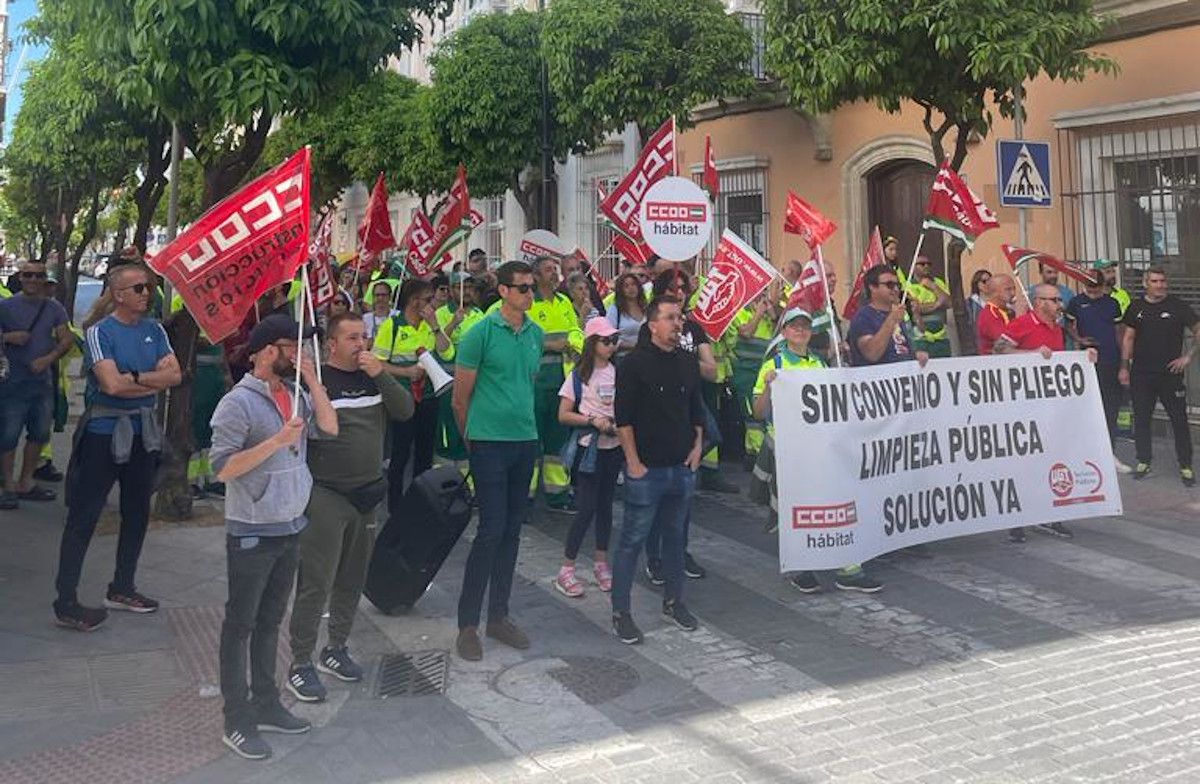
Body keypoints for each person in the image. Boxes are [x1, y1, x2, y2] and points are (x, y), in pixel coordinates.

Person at [209, 313, 337, 760]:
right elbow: (223, 467)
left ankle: (266, 704)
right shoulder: (237, 404)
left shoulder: (296, 395)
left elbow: (331, 427)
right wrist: (277, 442)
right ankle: (236, 718)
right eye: (292, 346)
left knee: (269, 622)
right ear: (267, 352)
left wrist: (313, 382)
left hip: (289, 525)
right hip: (251, 531)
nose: (301, 353)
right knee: (239, 626)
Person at [286, 312, 414, 703]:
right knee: (316, 582)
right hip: (327, 494)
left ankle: (336, 647)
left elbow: (405, 410)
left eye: (365, 336)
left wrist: (381, 373)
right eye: (353, 337)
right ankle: (300, 661)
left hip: (366, 494)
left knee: (352, 579)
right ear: (332, 344)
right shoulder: (317, 382)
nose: (362, 343)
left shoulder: (372, 378)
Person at [53, 263, 182, 631]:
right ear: (119, 295)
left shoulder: (155, 330)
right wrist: (146, 383)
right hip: (103, 434)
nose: (147, 293)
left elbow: (173, 375)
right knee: (84, 516)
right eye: (139, 288)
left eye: (150, 287)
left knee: (137, 512)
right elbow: (110, 385)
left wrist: (136, 379)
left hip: (143, 432)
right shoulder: (99, 332)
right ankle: (66, 599)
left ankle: (122, 587)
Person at [751, 308, 881, 593]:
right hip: (788, 451)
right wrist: (771, 387)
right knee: (794, 509)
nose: (800, 331)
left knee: (834, 502)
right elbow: (758, 412)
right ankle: (801, 566)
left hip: (820, 448)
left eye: (805, 327)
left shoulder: (821, 364)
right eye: (794, 326)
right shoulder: (773, 364)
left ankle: (847, 566)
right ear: (784, 332)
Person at [452, 261, 543, 661]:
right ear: (503, 290)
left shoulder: (536, 334)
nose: (529, 294)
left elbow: (529, 381)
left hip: (525, 440)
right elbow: (460, 397)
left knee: (511, 531)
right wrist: (472, 437)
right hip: (488, 442)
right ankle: (467, 624)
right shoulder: (479, 335)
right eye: (522, 288)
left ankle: (499, 616)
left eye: (532, 288)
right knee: (490, 530)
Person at [611, 298, 704, 644]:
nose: (677, 324)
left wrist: (696, 448)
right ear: (652, 325)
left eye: (679, 318)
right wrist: (633, 462)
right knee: (632, 541)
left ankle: (674, 601)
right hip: (646, 470)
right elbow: (624, 419)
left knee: (676, 540)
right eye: (669, 318)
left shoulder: (687, 362)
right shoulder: (634, 364)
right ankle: (621, 612)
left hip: (681, 467)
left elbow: (696, 409)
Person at [995, 283, 1087, 541]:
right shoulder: (1022, 324)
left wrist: (1085, 358)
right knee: (1023, 464)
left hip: (1049, 408)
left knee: (1050, 461)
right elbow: (998, 351)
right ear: (1040, 302)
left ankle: (1048, 515)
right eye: (1055, 300)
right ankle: (1017, 520)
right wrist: (1031, 354)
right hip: (1022, 406)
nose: (1060, 304)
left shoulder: (1056, 327)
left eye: (1059, 299)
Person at [553, 317, 622, 598]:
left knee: (606, 507)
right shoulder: (578, 377)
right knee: (587, 508)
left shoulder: (617, 373)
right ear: (593, 344)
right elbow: (563, 414)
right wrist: (592, 421)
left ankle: (601, 562)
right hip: (588, 448)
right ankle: (567, 568)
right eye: (606, 341)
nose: (612, 345)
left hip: (613, 446)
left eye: (614, 340)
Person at [374, 278, 453, 515]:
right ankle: (395, 507)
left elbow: (447, 352)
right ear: (413, 300)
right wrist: (406, 371)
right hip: (403, 399)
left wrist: (436, 325)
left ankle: (420, 505)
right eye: (428, 299)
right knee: (400, 453)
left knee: (424, 453)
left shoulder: (430, 324)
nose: (432, 304)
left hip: (429, 396)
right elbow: (378, 363)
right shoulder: (393, 326)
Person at [0, 259, 74, 509]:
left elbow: (66, 339)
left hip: (41, 383)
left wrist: (48, 359)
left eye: (38, 276)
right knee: (8, 435)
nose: (33, 280)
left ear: (45, 280)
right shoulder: (6, 306)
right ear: (20, 277)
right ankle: (8, 486)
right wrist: (9, 337)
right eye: (28, 275)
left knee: (40, 434)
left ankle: (25, 482)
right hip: (12, 383)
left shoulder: (54, 308)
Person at [1120, 267, 1199, 485]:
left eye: (1163, 281)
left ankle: (1186, 466)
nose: (1160, 285)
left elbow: (1198, 329)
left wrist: (1188, 357)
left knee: (1179, 421)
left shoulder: (1177, 306)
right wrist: (1124, 367)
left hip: (1170, 375)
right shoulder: (1136, 307)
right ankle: (1143, 461)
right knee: (1142, 419)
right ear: (1146, 283)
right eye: (1155, 281)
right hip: (1142, 374)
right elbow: (1128, 338)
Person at [527, 256, 584, 512]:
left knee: (556, 439)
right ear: (536, 276)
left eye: (555, 269)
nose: (554, 274)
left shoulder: (563, 302)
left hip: (562, 379)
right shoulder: (528, 302)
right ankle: (525, 496)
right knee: (531, 439)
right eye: (549, 270)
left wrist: (575, 343)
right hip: (535, 380)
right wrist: (550, 345)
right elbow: (523, 336)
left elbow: (575, 330)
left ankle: (557, 493)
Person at [1065, 271, 1131, 474]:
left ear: (1103, 286)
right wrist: (1079, 339)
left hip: (1110, 361)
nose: (1091, 290)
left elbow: (1121, 333)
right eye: (1088, 286)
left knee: (1110, 410)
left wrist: (1124, 364)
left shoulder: (1112, 304)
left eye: (1095, 286)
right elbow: (1068, 325)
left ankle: (1109, 453)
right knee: (1088, 410)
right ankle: (1087, 454)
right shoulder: (1076, 302)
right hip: (1087, 363)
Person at [732, 294, 781, 467]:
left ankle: (752, 454)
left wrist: (773, 316)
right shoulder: (740, 312)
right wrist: (758, 314)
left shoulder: (768, 313)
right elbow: (746, 332)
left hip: (762, 371)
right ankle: (760, 455)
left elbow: (777, 337)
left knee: (762, 414)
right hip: (745, 372)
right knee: (752, 415)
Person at [906, 257, 952, 358]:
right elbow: (916, 308)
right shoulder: (908, 286)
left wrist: (933, 287)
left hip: (941, 337)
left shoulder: (938, 282)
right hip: (921, 337)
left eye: (928, 264)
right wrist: (938, 304)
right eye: (922, 264)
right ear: (913, 267)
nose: (926, 266)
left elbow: (949, 303)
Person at [975, 273, 1020, 356]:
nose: (1013, 293)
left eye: (1014, 288)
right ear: (994, 292)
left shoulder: (1009, 311)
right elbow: (1005, 343)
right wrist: (1021, 315)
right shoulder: (990, 314)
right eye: (1008, 289)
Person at [605, 272, 647, 361]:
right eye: (626, 286)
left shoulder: (645, 308)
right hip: (623, 358)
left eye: (633, 284)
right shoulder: (615, 310)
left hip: (645, 357)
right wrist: (633, 345)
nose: (631, 288)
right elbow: (609, 336)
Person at [362, 279, 396, 345]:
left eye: (383, 295)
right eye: (377, 295)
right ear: (373, 297)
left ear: (390, 297)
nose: (380, 298)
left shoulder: (398, 316)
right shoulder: (365, 318)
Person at [966, 269, 993, 334]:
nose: (988, 284)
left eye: (990, 281)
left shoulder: (999, 300)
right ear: (977, 284)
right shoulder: (970, 303)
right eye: (984, 281)